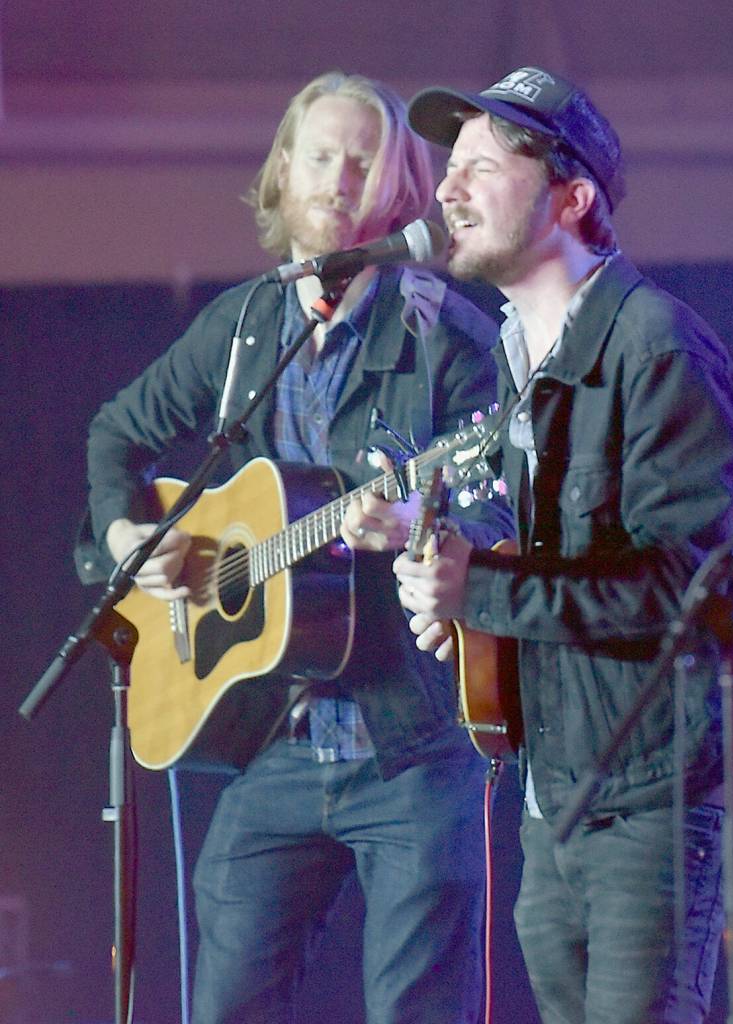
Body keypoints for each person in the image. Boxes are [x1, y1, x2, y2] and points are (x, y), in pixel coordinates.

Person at [80, 71, 513, 1024]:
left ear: (399, 190)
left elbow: (505, 509)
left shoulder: (451, 340)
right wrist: (128, 536)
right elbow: (118, 434)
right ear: (283, 172)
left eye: (364, 162)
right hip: (268, 735)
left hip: (412, 742)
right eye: (319, 155)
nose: (338, 178)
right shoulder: (241, 327)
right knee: (222, 1006)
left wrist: (417, 527)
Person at [394, 67, 733, 1023]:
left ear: (571, 198)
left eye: (482, 167)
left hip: (660, 792)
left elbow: (676, 589)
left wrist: (475, 590)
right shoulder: (516, 356)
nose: (446, 189)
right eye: (450, 168)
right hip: (559, 793)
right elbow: (556, 562)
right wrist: (471, 615)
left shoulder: (656, 347)